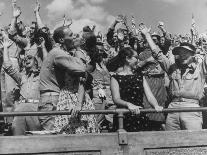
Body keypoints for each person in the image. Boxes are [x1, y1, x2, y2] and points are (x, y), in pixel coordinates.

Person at [140, 24, 204, 130]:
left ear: (193, 54)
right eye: (180, 53)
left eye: (185, 52)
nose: (182, 55)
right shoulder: (172, 68)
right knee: (171, 143)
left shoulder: (200, 69)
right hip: (172, 109)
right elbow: (158, 54)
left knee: (193, 142)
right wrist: (147, 35)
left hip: (191, 109)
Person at [39, 26, 86, 131]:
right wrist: (78, 49)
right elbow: (81, 69)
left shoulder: (57, 52)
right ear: (61, 40)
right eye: (70, 35)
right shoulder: (58, 53)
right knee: (52, 137)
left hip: (50, 98)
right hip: (51, 99)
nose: (74, 37)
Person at [54, 29, 99, 134]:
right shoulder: (74, 53)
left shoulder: (79, 53)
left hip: (74, 96)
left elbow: (82, 79)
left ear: (82, 42)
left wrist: (78, 104)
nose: (74, 37)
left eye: (77, 36)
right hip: (70, 94)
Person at [110, 47, 163, 132]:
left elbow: (149, 96)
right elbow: (116, 99)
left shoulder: (140, 76)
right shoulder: (115, 78)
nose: (138, 61)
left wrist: (155, 105)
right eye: (136, 58)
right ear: (128, 59)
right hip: (123, 116)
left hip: (139, 114)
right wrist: (128, 104)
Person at [2, 34, 41, 135]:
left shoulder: (42, 76)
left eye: (29, 58)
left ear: (36, 62)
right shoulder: (21, 77)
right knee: (17, 134)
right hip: (21, 108)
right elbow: (8, 67)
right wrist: (5, 48)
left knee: (36, 136)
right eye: (24, 60)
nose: (26, 60)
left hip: (35, 107)